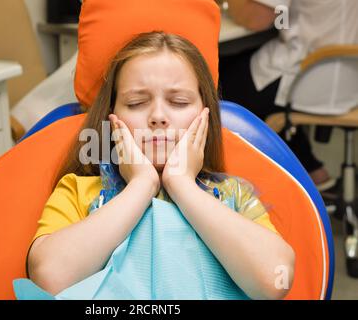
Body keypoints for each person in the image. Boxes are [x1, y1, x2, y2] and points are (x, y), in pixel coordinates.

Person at [26, 31, 295, 299]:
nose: (157, 116)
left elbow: (274, 280)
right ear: (112, 118)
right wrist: (141, 185)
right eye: (136, 102)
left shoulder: (232, 196)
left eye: (178, 102)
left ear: (206, 115)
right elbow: (49, 278)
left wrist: (182, 184)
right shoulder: (78, 191)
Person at [218, 0, 358, 192]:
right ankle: (312, 170)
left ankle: (230, 193)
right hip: (348, 80)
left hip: (305, 76)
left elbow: (256, 18)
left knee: (215, 76)